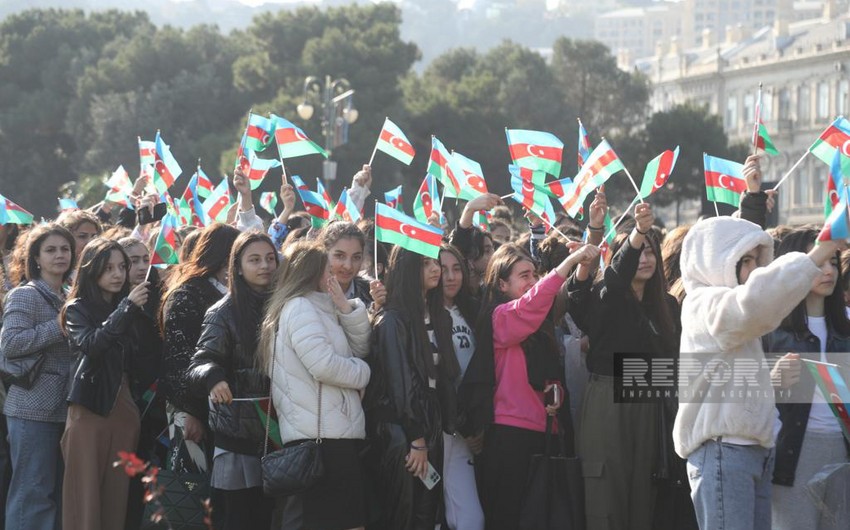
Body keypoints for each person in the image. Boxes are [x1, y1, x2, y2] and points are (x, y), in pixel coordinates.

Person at [673, 213, 844, 530]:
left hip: (754, 452)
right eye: (745, 260)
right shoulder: (703, 304)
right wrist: (821, 250)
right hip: (724, 452)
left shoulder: (736, 312)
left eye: (757, 259)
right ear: (716, 260)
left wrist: (770, 380)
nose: (754, 270)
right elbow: (753, 305)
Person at [476, 240, 599, 530]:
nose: (533, 281)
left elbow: (550, 375)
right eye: (524, 276)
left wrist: (555, 392)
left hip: (546, 434)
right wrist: (567, 265)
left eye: (534, 274)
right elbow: (532, 303)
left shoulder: (542, 329)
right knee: (509, 518)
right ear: (502, 285)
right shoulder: (501, 317)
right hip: (510, 437)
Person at [260, 240, 372, 530]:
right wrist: (364, 373)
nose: (333, 274)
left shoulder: (322, 307)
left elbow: (361, 348)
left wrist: (345, 308)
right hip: (320, 437)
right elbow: (323, 365)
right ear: (312, 273)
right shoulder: (299, 307)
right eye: (327, 269)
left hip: (336, 434)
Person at [187, 231, 279, 530]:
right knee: (237, 518)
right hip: (237, 434)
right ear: (237, 267)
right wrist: (214, 379)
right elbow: (201, 361)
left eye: (269, 258)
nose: (264, 265)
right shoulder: (223, 311)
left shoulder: (285, 305)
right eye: (254, 260)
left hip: (279, 433)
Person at [365, 246, 459, 530]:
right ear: (408, 268)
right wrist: (416, 439)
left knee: (427, 513)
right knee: (406, 513)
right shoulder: (392, 319)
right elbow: (400, 385)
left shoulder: (436, 315)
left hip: (429, 420)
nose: (436, 270)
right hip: (401, 430)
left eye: (438, 263)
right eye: (427, 263)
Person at [762, 228, 850, 530]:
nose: (829, 271)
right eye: (821, 262)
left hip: (841, 448)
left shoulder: (846, 324)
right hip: (792, 453)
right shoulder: (771, 329)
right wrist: (770, 380)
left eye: (834, 263)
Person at [60, 238, 150, 530]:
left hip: (124, 411)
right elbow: (92, 345)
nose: (118, 274)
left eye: (122, 266)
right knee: (84, 498)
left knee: (117, 499)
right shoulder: (77, 308)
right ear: (92, 269)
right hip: (89, 410)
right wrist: (126, 309)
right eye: (108, 267)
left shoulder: (134, 308)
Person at [1, 224, 76, 530]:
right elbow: (10, 344)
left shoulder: (72, 294)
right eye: (51, 250)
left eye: (65, 249)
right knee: (32, 494)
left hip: (66, 408)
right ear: (35, 257)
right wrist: (58, 326)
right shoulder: (24, 295)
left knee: (58, 494)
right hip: (31, 410)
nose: (60, 255)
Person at [117, 237, 166, 530]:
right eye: (131, 261)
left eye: (144, 259)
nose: (139, 267)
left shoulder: (159, 296)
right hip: (122, 406)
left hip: (155, 409)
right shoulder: (113, 304)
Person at [438, 244, 484, 530]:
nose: (451, 277)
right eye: (442, 270)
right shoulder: (417, 316)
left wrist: (474, 426)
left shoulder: (473, 311)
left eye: (456, 269)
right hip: (436, 431)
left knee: (471, 520)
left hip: (466, 433)